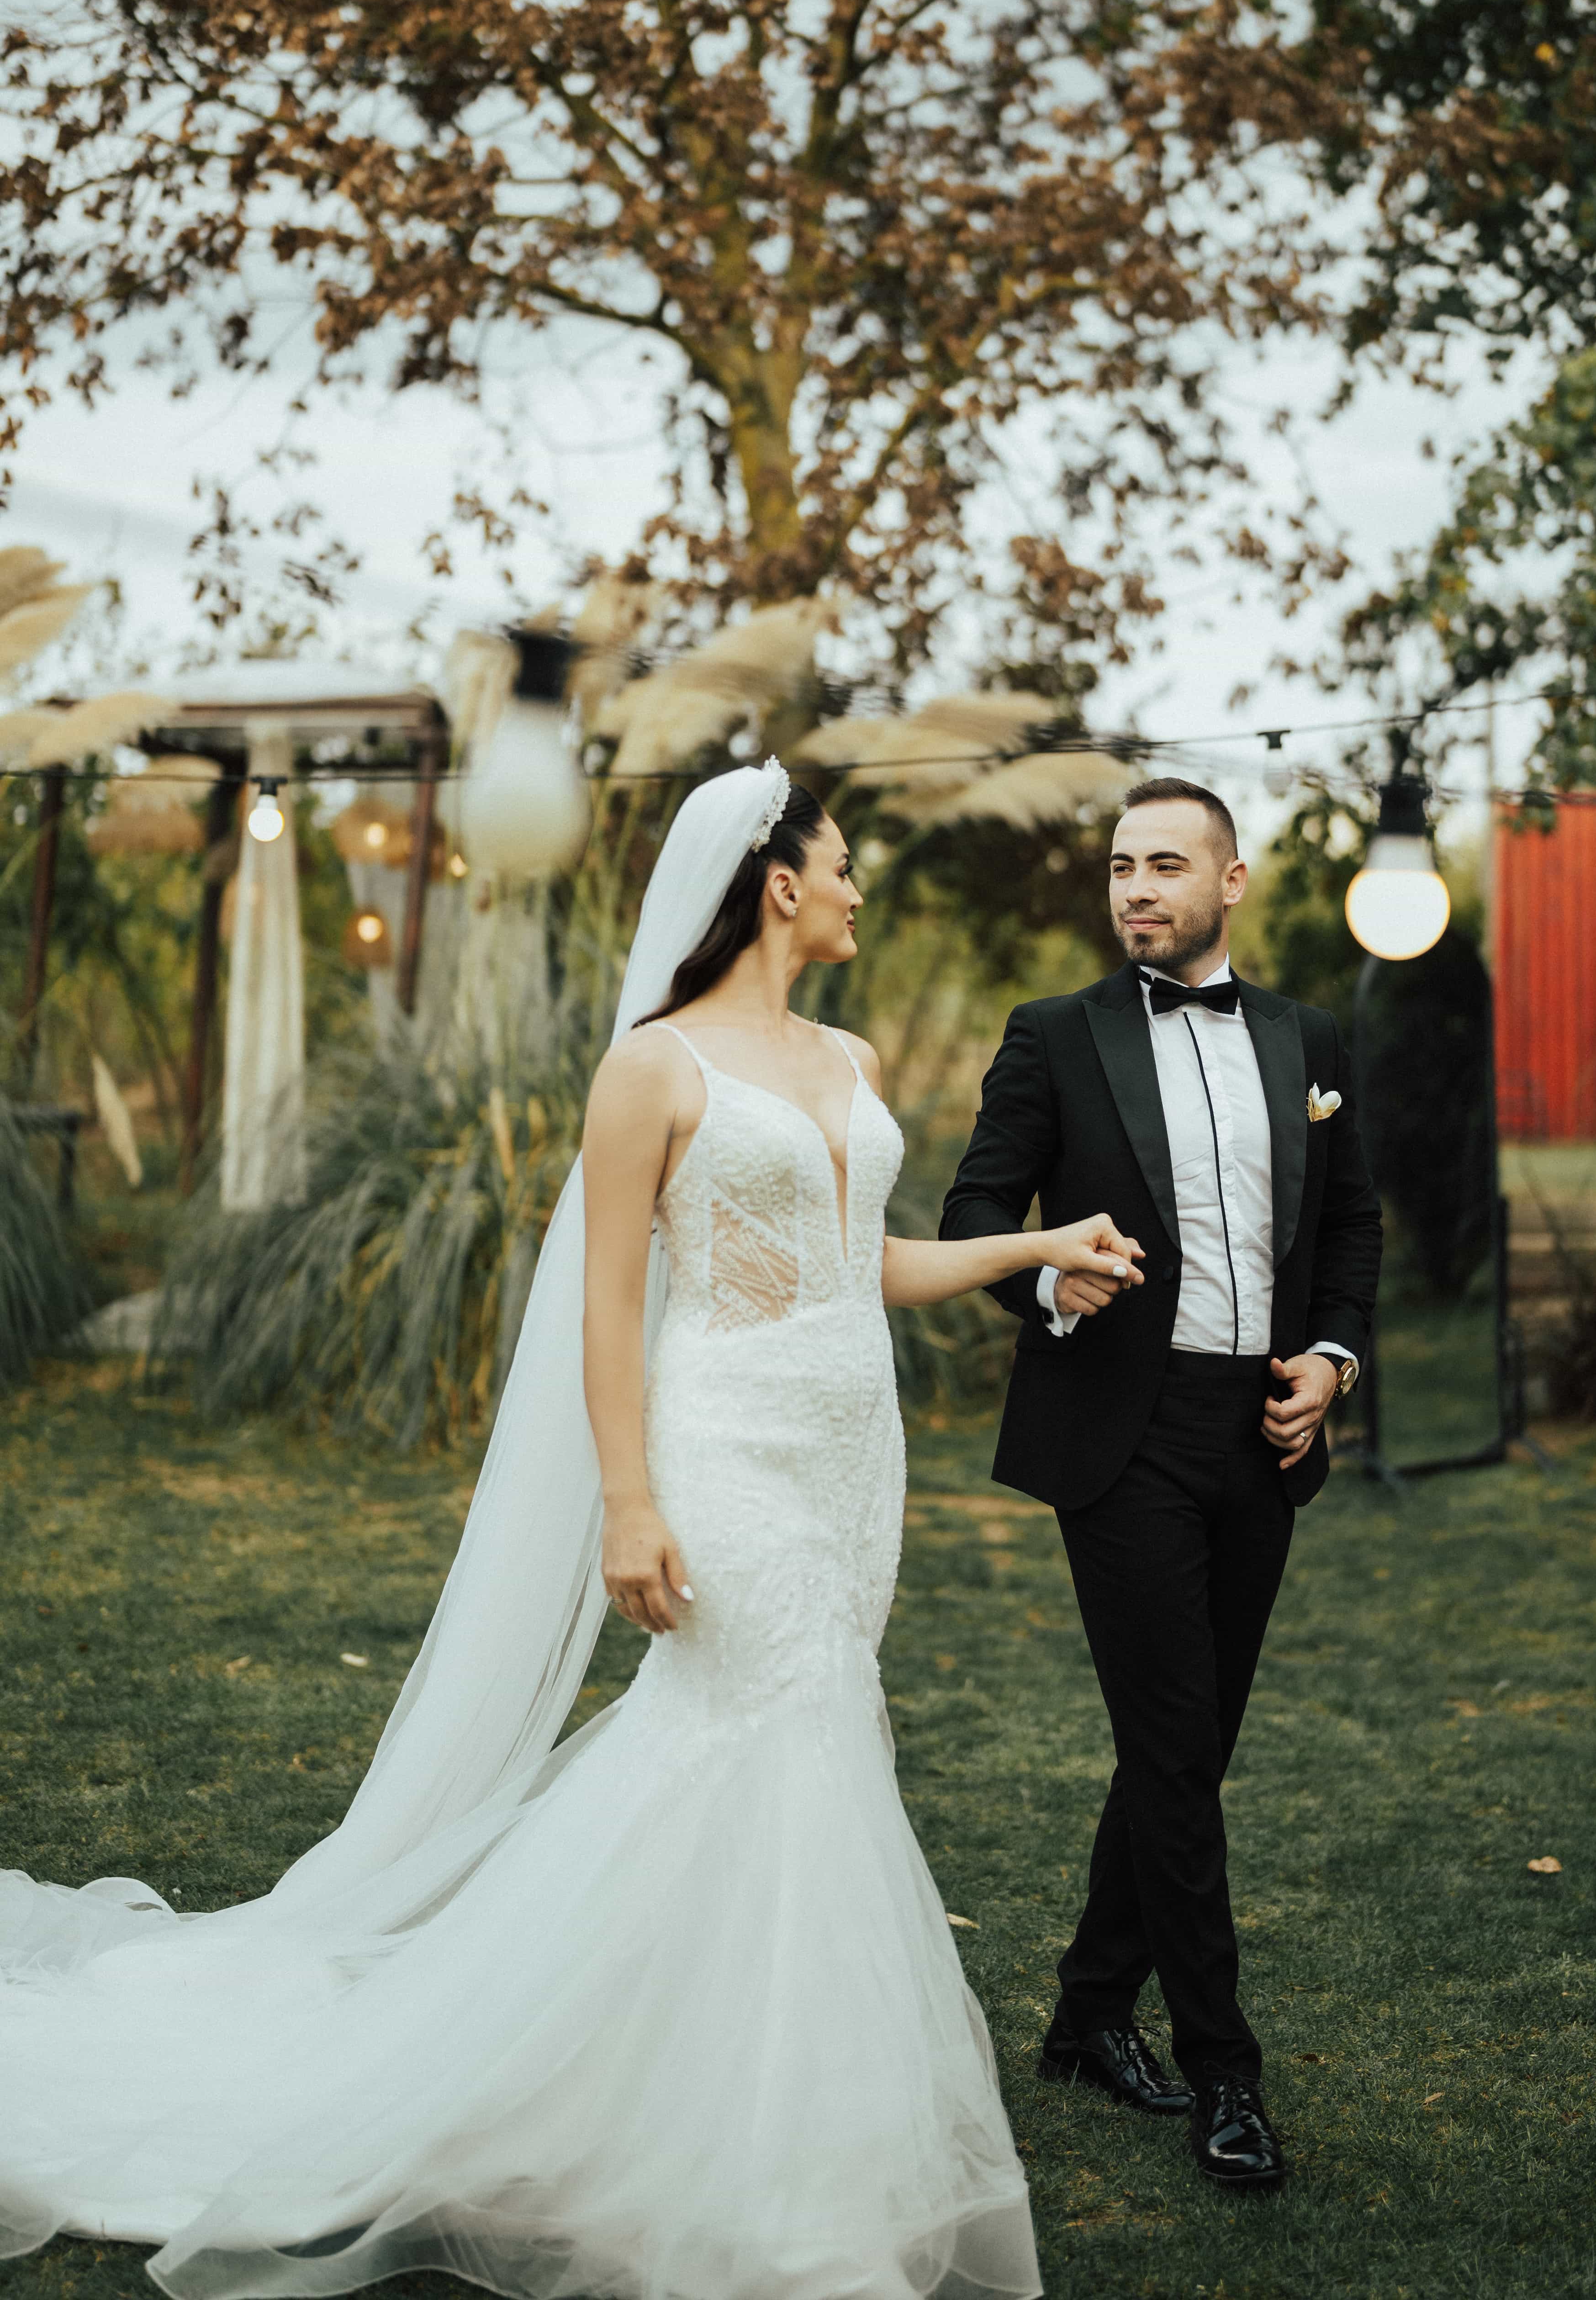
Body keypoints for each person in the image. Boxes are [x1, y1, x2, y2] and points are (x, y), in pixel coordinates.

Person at [0, 759, 1144, 2300]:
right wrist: (630, 1500)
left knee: (787, 1735)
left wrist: (1037, 1248)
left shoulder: (849, 1054)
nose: (861, 888)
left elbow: (861, 1262)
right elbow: (610, 1306)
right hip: (724, 1440)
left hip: (850, 1456)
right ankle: (783, 2162)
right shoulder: (651, 1071)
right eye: (844, 866)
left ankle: (684, 2080)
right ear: (781, 885)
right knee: (775, 1731)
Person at [941, 777, 1383, 2193]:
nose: (1136, 887)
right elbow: (974, 1213)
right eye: (1122, 865)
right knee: (1180, 1750)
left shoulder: (1307, 1040)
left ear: (1231, 881)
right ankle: (1226, 2074)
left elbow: (1350, 1223)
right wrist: (1047, 1276)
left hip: (1261, 1431)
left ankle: (1086, 2013)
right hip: (1121, 1437)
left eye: (1167, 865)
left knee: (1184, 1747)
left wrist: (1332, 1361)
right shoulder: (1055, 1035)